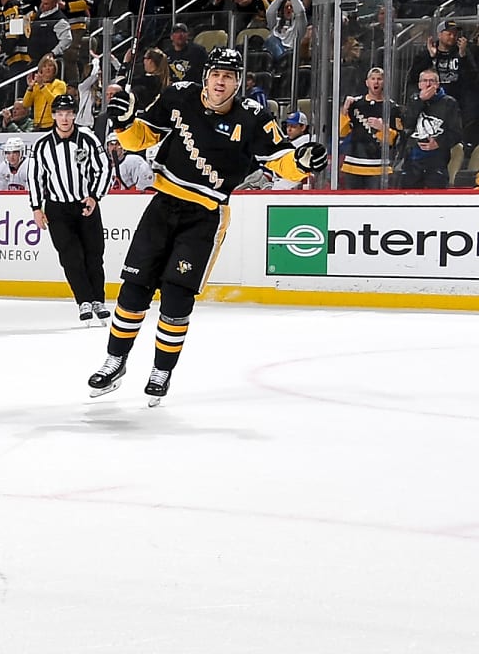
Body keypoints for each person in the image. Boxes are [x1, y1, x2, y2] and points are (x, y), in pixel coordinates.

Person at [92, 49, 325, 404]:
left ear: (238, 82)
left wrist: (302, 161)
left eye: (229, 76)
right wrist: (123, 124)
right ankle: (115, 361)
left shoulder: (253, 118)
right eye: (216, 73)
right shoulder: (179, 96)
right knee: (134, 289)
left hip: (205, 214)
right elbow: (143, 137)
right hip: (163, 204)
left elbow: (281, 160)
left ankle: (162, 371)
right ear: (206, 76)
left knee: (176, 295)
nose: (221, 81)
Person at [28, 93, 112, 325]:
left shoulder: (88, 138)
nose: (64, 118)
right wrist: (36, 207)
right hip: (57, 208)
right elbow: (35, 178)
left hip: (85, 204)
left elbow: (104, 168)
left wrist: (95, 197)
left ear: (74, 115)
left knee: (94, 255)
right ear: (53, 116)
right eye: (60, 113)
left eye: (69, 113)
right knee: (71, 256)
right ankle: (84, 301)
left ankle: (98, 300)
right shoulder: (42, 145)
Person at [400, 69, 463, 189]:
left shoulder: (449, 103)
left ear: (437, 84)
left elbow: (457, 133)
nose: (428, 84)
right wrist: (420, 101)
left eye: (431, 81)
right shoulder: (414, 100)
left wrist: (438, 142)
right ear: (419, 84)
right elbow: (406, 124)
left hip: (437, 161)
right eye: (424, 81)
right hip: (413, 161)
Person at [338, 66, 399, 185]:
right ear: (367, 82)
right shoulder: (355, 104)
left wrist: (382, 128)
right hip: (353, 164)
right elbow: (341, 132)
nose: (376, 82)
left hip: (379, 165)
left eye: (379, 79)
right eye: (373, 79)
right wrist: (344, 111)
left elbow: (394, 140)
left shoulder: (392, 107)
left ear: (384, 82)